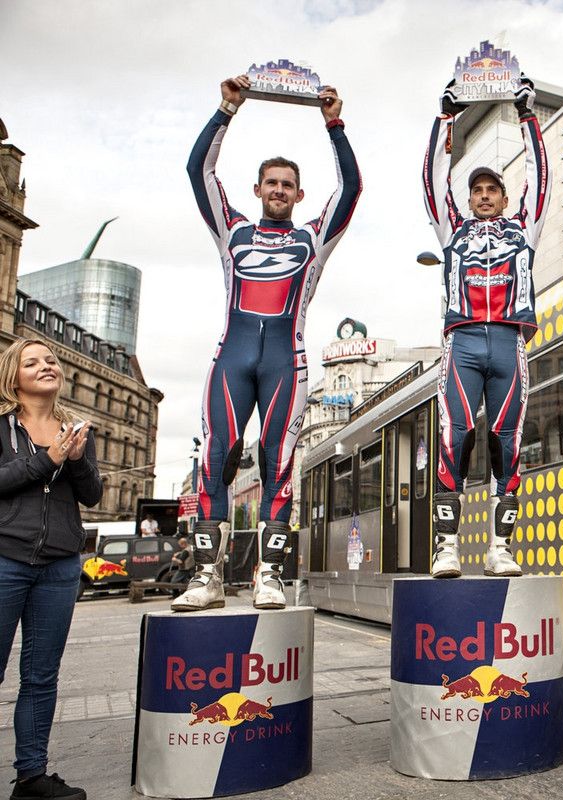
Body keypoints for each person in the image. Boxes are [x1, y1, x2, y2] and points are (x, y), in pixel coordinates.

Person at [175, 75, 361, 612]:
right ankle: (207, 576)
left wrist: (334, 125)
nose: (279, 191)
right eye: (270, 183)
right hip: (232, 357)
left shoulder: (312, 238)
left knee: (280, 462)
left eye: (287, 185)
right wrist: (226, 110)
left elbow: (349, 189)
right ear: (257, 190)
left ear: (299, 195)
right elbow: (199, 171)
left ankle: (270, 576)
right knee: (215, 456)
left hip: (286, 360)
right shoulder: (230, 231)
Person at [421, 76, 550, 579]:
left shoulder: (524, 229)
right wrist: (445, 118)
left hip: (511, 341)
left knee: (506, 441)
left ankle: (501, 548)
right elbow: (432, 181)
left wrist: (526, 114)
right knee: (454, 437)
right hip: (464, 341)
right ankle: (446, 547)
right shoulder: (451, 230)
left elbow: (541, 178)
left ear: (503, 195)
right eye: (475, 190)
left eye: (491, 189)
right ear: (468, 199)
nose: (483, 196)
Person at [0, 337, 100, 800]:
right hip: (4, 559)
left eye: (52, 360)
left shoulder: (78, 429)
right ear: (13, 376)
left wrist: (76, 460)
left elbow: (92, 494)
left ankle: (31, 777)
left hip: (59, 566)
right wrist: (49, 459)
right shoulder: (2, 427)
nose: (46, 366)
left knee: (41, 675)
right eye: (32, 361)